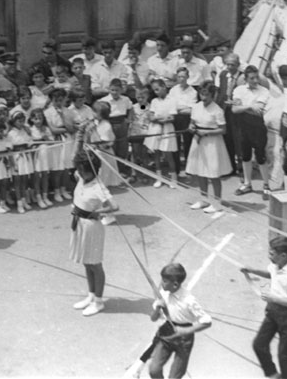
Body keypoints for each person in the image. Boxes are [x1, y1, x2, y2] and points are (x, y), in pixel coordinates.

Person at [124, 263, 213, 379]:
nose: (161, 283)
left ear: (175, 284)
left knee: (175, 375)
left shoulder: (189, 300)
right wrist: (157, 308)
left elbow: (207, 321)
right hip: (167, 333)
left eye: (165, 281)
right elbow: (153, 318)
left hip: (184, 338)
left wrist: (187, 331)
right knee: (154, 370)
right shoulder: (163, 295)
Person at [241, 236, 287, 379]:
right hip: (274, 312)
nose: (269, 256)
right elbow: (272, 274)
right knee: (259, 345)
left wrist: (273, 298)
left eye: (272, 254)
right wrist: (252, 270)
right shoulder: (275, 265)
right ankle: (273, 375)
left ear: (283, 256)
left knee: (284, 354)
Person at [69, 150, 116, 317]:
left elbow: (114, 206)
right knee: (86, 262)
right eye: (79, 169)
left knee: (95, 264)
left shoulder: (98, 187)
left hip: (92, 227)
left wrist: (99, 212)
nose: (80, 172)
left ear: (93, 170)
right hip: (79, 224)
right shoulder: (82, 178)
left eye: (83, 169)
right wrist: (81, 136)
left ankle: (99, 301)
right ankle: (91, 296)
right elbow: (76, 152)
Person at [186, 81, 232, 214]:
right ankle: (203, 199)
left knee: (213, 174)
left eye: (206, 95)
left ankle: (217, 203)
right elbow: (192, 123)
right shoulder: (196, 107)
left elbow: (223, 130)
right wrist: (191, 128)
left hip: (212, 143)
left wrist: (206, 133)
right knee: (200, 171)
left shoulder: (217, 110)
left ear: (212, 95)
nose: (203, 97)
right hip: (198, 141)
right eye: (201, 94)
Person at [231, 65, 272, 198]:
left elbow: (258, 111)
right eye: (252, 78)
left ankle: (266, 185)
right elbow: (234, 110)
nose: (255, 81)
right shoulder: (239, 90)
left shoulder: (264, 91)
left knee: (261, 156)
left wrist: (242, 106)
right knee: (245, 155)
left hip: (258, 127)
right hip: (243, 126)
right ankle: (247, 184)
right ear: (246, 79)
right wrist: (249, 106)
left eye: (256, 77)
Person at [217, 52, 245, 176]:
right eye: (227, 64)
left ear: (238, 65)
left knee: (239, 139)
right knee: (227, 138)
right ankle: (230, 167)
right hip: (225, 111)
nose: (229, 67)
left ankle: (242, 167)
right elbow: (221, 93)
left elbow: (245, 97)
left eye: (232, 65)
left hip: (238, 112)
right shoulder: (223, 75)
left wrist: (233, 102)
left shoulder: (243, 77)